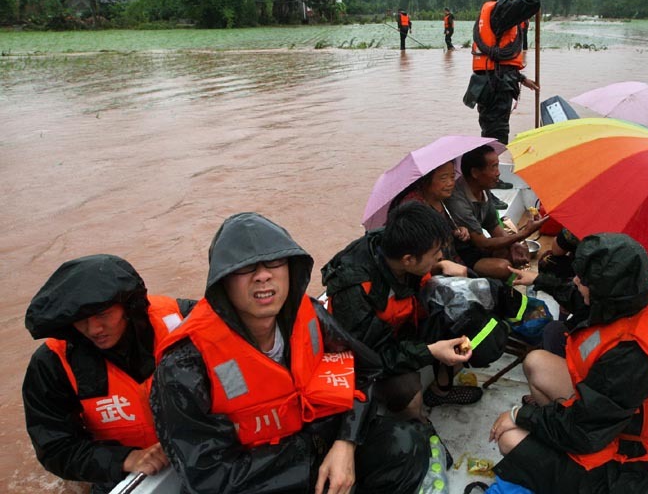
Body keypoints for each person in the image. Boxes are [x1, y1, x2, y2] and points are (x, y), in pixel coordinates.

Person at [151, 212, 428, 494]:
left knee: (406, 445)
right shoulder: (185, 363)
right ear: (222, 280)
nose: (263, 275)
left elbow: (364, 371)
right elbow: (209, 476)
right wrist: (309, 462)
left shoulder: (308, 315)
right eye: (245, 268)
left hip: (324, 446)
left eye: (274, 262)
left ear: (290, 269)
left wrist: (346, 443)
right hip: (261, 480)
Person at [488, 234, 648, 494]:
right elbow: (582, 299)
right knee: (536, 363)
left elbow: (585, 434)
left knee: (509, 438)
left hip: (630, 465)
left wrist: (519, 415)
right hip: (613, 421)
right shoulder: (636, 296)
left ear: (605, 291)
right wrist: (540, 280)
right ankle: (552, 442)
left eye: (583, 280)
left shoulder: (630, 355)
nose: (576, 280)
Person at [22, 254, 195, 494]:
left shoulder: (187, 320)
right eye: (81, 319)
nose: (94, 329)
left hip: (199, 447)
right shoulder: (51, 363)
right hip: (124, 470)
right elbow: (54, 448)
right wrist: (127, 459)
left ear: (127, 307)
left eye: (103, 315)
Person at [323, 202, 510, 420]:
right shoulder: (354, 289)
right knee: (407, 390)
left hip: (404, 325)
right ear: (409, 260)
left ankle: (440, 391)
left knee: (479, 332)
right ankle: (415, 421)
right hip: (372, 353)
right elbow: (371, 358)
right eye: (436, 253)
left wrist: (458, 271)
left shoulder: (405, 246)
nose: (441, 255)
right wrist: (430, 351)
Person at [444, 145, 547, 280]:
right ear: (475, 173)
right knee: (503, 268)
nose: (498, 173)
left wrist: (515, 244)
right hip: (461, 254)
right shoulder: (458, 201)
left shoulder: (483, 187)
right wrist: (523, 234)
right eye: (493, 167)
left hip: (478, 246)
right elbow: (483, 243)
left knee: (512, 252)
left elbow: (493, 225)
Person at [470, 0, 545, 145]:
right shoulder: (501, 9)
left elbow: (500, 59)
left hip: (492, 81)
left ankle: (492, 168)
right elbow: (533, 2)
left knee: (493, 132)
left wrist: (520, 78)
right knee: (496, 137)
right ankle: (492, 170)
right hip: (496, 86)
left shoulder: (496, 10)